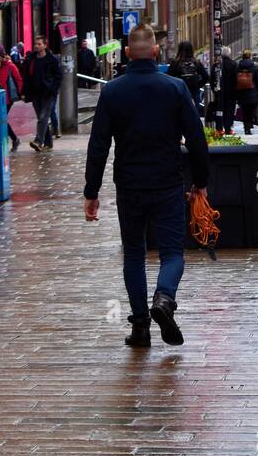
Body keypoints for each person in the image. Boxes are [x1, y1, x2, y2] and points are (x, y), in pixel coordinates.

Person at [83, 22, 210, 349]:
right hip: (167, 182)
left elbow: (98, 145)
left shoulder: (112, 91)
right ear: (156, 52)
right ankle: (164, 299)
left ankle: (140, 327)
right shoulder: (175, 88)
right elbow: (196, 139)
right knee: (171, 253)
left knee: (134, 255)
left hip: (129, 185)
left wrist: (91, 191)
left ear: (127, 53)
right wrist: (201, 182)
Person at [23, 35, 62, 152]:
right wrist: (24, 92)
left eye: (39, 44)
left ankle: (38, 141)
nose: (36, 46)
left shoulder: (52, 60)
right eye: (35, 44)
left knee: (43, 117)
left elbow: (58, 77)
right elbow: (27, 77)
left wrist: (52, 89)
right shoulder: (31, 59)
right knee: (42, 119)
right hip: (35, 93)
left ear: (45, 45)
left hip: (48, 94)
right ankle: (49, 142)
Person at [0, 44, 23, 152]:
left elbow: (19, 80)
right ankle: (13, 139)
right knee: (0, 120)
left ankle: (14, 139)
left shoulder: (10, 66)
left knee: (1, 119)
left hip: (7, 98)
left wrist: (19, 93)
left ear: (2, 55)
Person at [168, 41, 210, 115]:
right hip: (194, 92)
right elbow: (206, 76)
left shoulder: (175, 63)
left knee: (180, 113)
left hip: (180, 92)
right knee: (194, 113)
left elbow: (169, 78)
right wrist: (198, 85)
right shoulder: (196, 63)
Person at [236, 50, 258, 135]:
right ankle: (250, 125)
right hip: (253, 93)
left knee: (244, 111)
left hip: (241, 93)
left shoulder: (238, 68)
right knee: (251, 111)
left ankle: (246, 127)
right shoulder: (255, 68)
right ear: (250, 57)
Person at [220, 46, 239, 134]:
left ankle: (220, 127)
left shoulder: (218, 64)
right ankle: (228, 128)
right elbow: (236, 79)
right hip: (231, 91)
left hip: (220, 91)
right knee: (230, 110)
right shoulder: (233, 64)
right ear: (229, 54)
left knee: (220, 109)